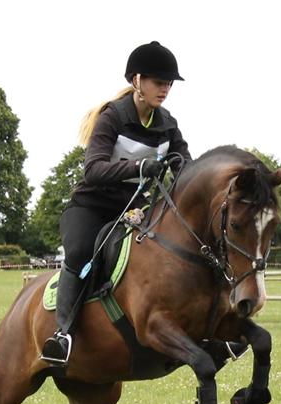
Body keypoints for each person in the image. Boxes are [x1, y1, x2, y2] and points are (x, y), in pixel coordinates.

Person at [40, 41, 192, 367]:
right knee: (81, 252)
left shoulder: (168, 124)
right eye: (158, 82)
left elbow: (187, 172)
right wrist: (139, 168)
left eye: (168, 84)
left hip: (136, 211)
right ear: (137, 81)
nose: (165, 89)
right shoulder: (113, 118)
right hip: (91, 207)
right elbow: (92, 170)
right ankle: (62, 334)